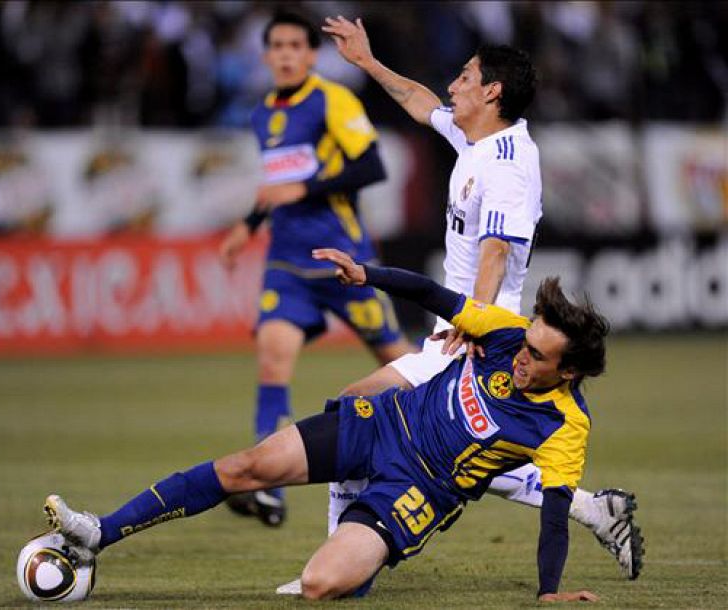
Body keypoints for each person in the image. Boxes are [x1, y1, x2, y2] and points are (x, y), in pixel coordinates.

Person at [264, 14, 640, 590]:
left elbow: (495, 251)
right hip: (458, 327)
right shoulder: (478, 137)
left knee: (358, 414)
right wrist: (365, 61)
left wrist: (474, 325)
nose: (453, 83)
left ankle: (342, 571)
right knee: (438, 444)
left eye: (466, 75)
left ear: (492, 91)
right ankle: (593, 509)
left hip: (479, 333)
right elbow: (418, 102)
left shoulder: (511, 165)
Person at [43, 250, 610, 602]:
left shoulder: (565, 426)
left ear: (571, 370)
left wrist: (548, 592)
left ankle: (355, 560)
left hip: (418, 491)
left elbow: (556, 513)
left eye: (538, 357)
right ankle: (99, 532)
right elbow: (431, 293)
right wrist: (367, 275)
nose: (522, 356)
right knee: (247, 465)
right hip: (384, 424)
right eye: (528, 344)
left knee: (320, 585)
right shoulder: (507, 332)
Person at [216, 11, 413, 526]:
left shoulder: (331, 100)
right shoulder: (262, 115)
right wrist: (249, 224)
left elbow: (371, 166)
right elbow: (278, 184)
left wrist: (302, 190)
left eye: (294, 46)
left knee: (406, 366)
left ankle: (450, 439)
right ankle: (270, 488)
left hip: (345, 264)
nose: (284, 54)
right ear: (265, 56)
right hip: (286, 263)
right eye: (275, 46)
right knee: (272, 360)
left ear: (310, 54)